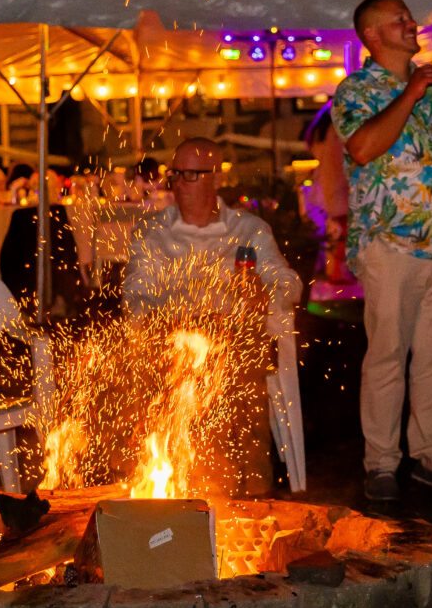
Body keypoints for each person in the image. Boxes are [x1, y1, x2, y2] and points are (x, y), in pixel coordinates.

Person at [331, 0, 432, 502]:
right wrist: (412, 92)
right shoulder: (356, 90)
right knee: (388, 355)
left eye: (409, 17)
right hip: (389, 240)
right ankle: (381, 464)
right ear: (372, 35)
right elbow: (363, 147)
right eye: (400, 19)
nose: (412, 23)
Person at [122, 136, 301, 496]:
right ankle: (161, 485)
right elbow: (134, 297)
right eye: (175, 173)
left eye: (190, 174)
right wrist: (168, 320)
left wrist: (263, 293)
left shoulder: (248, 230)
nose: (177, 183)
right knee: (143, 363)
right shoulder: (153, 232)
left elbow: (289, 285)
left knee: (240, 359)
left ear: (215, 178)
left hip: (233, 337)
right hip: (171, 338)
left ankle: (249, 489)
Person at [303, 102, 352, 283]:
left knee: (335, 231)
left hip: (326, 185)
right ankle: (338, 274)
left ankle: (335, 272)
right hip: (338, 186)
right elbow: (340, 160)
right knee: (341, 231)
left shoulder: (319, 133)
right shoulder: (336, 132)